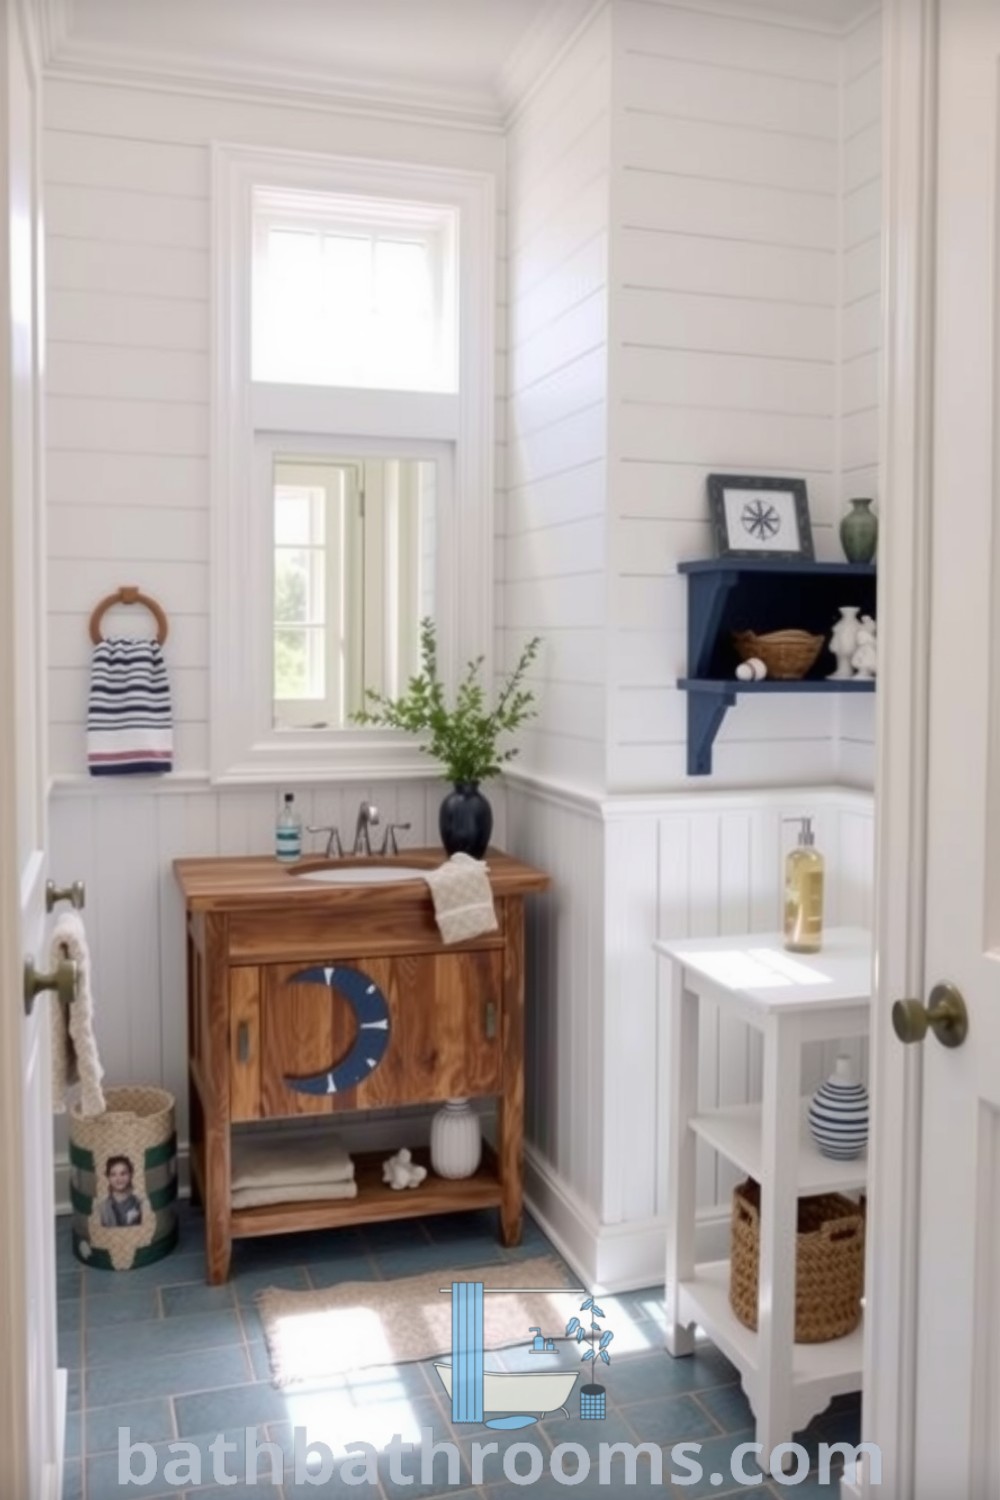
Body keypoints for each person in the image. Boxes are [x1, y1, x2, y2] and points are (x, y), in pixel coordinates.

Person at [99, 1155, 142, 1227]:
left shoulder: (139, 1203)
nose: (119, 1179)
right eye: (113, 1174)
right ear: (108, 1177)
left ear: (130, 1174)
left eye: (123, 1173)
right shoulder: (103, 1207)